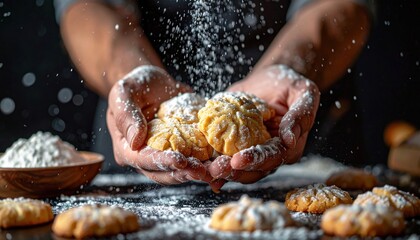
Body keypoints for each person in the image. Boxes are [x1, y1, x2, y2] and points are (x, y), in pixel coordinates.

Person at [54, 0, 372, 191]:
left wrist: (290, 67)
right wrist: (130, 72)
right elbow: (87, 6)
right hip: (143, 120)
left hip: (299, 130)